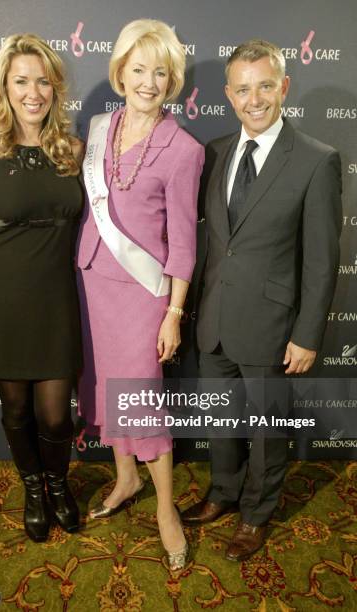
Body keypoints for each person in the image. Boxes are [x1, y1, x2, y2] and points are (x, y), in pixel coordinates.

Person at [182, 39, 342, 560]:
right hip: (214, 320)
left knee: (268, 429)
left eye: (266, 86)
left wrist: (307, 334)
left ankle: (256, 514)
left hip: (273, 327)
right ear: (229, 95)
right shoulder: (215, 152)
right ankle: (224, 493)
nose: (255, 99)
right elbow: (212, 241)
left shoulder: (317, 161)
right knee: (221, 422)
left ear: (284, 88)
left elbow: (321, 259)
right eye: (244, 89)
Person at [77, 19, 204, 570]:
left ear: (172, 80)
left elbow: (183, 241)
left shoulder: (184, 150)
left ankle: (166, 513)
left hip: (144, 292)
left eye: (160, 72)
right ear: (120, 72)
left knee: (142, 398)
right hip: (91, 281)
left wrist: (174, 312)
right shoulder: (100, 128)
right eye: (138, 69)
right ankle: (126, 478)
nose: (148, 82)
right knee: (106, 387)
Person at [0, 33, 84, 542]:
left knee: (56, 415)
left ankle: (57, 483)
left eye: (42, 81)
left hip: (55, 300)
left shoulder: (73, 150)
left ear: (54, 89)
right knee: (17, 409)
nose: (33, 92)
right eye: (21, 81)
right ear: (4, 88)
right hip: (1, 297)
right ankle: (32, 488)